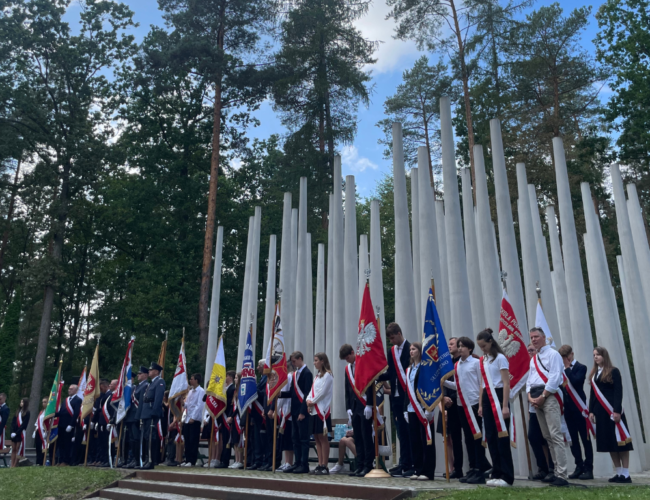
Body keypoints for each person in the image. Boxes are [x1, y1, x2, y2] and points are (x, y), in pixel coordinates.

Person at [444, 337, 491, 484]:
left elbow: (481, 384)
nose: (460, 348)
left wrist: (481, 404)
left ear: (470, 348)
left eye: (463, 346)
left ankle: (480, 469)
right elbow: (457, 385)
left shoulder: (477, 363)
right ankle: (472, 467)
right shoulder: (457, 365)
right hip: (461, 404)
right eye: (459, 346)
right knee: (468, 438)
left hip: (474, 403)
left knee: (477, 437)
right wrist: (443, 381)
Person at [527, 327, 569, 487]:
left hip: (548, 396)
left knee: (555, 434)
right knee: (548, 437)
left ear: (544, 337)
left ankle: (562, 474)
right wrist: (531, 397)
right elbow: (530, 380)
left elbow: (554, 376)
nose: (534, 340)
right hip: (536, 397)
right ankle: (555, 470)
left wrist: (543, 396)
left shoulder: (553, 354)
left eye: (536, 336)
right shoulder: (533, 359)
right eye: (532, 337)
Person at [588, 346, 633, 484]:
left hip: (612, 411)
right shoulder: (594, 374)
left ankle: (626, 474)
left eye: (598, 355)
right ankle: (618, 472)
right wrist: (591, 410)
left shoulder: (613, 371)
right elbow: (593, 394)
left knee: (621, 442)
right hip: (601, 412)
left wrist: (617, 410)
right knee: (610, 442)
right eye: (594, 355)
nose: (596, 357)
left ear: (604, 356)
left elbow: (618, 392)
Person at [477, 328, 514, 487]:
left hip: (499, 396)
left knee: (502, 436)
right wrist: (480, 404)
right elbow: (482, 384)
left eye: (484, 346)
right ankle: (496, 472)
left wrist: (505, 406)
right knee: (491, 436)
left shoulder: (500, 358)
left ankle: (507, 475)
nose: (482, 349)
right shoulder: (483, 360)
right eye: (480, 347)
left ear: (491, 342)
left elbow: (506, 383)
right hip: (486, 397)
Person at [377, 322, 413, 478]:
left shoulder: (410, 349)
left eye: (393, 338)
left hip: (409, 396)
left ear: (399, 333)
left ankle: (412, 463)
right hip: (396, 397)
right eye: (390, 339)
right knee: (401, 432)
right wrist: (377, 376)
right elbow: (391, 373)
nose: (392, 341)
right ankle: (403, 463)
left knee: (410, 431)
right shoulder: (391, 352)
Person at [558, 344, 594, 480]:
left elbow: (576, 382)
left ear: (571, 355)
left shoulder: (581, 367)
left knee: (585, 439)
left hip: (580, 408)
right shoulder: (561, 370)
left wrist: (567, 368)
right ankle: (579, 465)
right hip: (568, 410)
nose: (564, 360)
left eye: (566, 357)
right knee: (573, 439)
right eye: (562, 358)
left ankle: (589, 468)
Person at [340, 343, 374, 477]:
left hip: (364, 405)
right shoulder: (347, 369)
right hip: (354, 407)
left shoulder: (363, 364)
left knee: (366, 437)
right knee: (358, 437)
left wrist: (370, 404)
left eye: (347, 357)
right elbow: (348, 390)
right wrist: (348, 407)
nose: (347, 360)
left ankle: (368, 465)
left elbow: (370, 385)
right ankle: (359, 465)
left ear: (353, 353)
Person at [404, 342, 435, 481]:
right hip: (411, 408)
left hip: (423, 408)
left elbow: (429, 388)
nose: (411, 351)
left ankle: (427, 471)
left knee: (426, 440)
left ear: (420, 351)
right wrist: (405, 408)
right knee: (414, 440)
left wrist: (430, 408)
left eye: (414, 349)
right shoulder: (409, 369)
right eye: (410, 349)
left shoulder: (425, 367)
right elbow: (407, 389)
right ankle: (417, 468)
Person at [526, 342, 555, 481]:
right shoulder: (531, 364)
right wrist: (529, 397)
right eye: (528, 350)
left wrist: (542, 397)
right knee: (532, 436)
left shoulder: (546, 361)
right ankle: (542, 467)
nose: (530, 352)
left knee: (548, 436)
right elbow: (528, 383)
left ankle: (552, 468)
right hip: (533, 406)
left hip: (546, 400)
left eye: (532, 349)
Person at [281, 351, 313, 474]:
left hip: (302, 411)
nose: (293, 364)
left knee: (303, 439)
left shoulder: (307, 373)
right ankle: (297, 462)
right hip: (294, 411)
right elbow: (292, 393)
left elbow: (307, 393)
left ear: (300, 359)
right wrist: (280, 394)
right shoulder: (295, 374)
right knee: (295, 439)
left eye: (294, 361)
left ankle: (304, 464)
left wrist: (303, 412)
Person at [437, 337, 463, 478]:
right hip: (447, 403)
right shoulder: (447, 363)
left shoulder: (463, 362)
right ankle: (456, 468)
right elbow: (443, 382)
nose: (449, 346)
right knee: (453, 437)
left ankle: (478, 466)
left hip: (460, 401)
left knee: (469, 437)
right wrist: (443, 398)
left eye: (452, 343)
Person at [307, 352, 334, 475]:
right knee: (317, 437)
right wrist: (308, 400)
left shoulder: (328, 375)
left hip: (322, 410)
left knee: (323, 438)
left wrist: (312, 402)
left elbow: (322, 392)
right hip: (314, 410)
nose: (314, 362)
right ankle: (319, 463)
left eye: (316, 360)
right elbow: (312, 391)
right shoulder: (317, 376)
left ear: (322, 361)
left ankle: (325, 465)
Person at [141, 362, 166, 469]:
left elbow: (158, 398)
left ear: (156, 371)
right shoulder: (151, 383)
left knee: (151, 437)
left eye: (151, 370)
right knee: (147, 437)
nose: (149, 372)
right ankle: (147, 459)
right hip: (146, 413)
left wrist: (154, 413)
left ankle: (151, 460)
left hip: (152, 413)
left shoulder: (160, 382)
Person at [182, 373, 205, 467]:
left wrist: (193, 417)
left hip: (195, 419)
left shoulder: (201, 391)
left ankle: (192, 460)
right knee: (186, 439)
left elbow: (200, 405)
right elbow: (188, 404)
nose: (190, 381)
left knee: (193, 440)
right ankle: (187, 459)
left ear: (196, 380)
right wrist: (182, 403)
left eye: (192, 379)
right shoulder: (190, 391)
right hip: (187, 418)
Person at [250, 359, 269, 471]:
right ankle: (257, 461)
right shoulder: (262, 379)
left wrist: (254, 389)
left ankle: (264, 460)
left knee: (264, 440)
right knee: (256, 439)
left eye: (259, 365)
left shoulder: (267, 378)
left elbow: (265, 394)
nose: (257, 368)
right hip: (257, 414)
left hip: (263, 412)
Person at [215, 370, 236, 468]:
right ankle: (222, 459)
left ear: (230, 378)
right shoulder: (225, 388)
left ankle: (225, 461)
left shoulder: (232, 388)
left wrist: (230, 415)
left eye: (226, 376)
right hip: (222, 416)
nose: (225, 378)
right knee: (223, 439)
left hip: (227, 416)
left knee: (227, 439)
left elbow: (232, 404)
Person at [56, 384, 81, 466]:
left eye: (71, 389)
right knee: (61, 443)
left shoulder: (78, 400)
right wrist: (53, 414)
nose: (69, 390)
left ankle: (66, 460)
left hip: (69, 425)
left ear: (76, 390)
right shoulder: (65, 400)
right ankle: (61, 460)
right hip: (61, 424)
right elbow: (62, 412)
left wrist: (71, 424)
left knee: (67, 444)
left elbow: (76, 413)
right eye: (69, 389)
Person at [227, 372, 245, 469]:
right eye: (235, 378)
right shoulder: (235, 390)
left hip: (238, 416)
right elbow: (232, 406)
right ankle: (237, 459)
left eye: (236, 378)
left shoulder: (241, 390)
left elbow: (239, 406)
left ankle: (240, 460)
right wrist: (230, 416)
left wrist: (232, 416)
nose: (235, 379)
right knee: (234, 439)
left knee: (239, 438)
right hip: (233, 417)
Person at [10, 397, 29, 467]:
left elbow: (24, 424)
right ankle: (12, 464)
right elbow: (13, 422)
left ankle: (15, 464)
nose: (21, 403)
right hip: (14, 433)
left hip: (20, 433)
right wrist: (12, 431)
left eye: (23, 402)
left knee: (18, 449)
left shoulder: (27, 412)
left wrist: (17, 432)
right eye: (21, 402)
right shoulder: (17, 411)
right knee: (13, 449)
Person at [33, 398, 48, 466]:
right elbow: (37, 422)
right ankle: (38, 461)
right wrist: (35, 429)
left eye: (45, 402)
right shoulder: (41, 412)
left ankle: (42, 462)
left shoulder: (48, 412)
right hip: (38, 431)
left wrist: (46, 432)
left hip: (44, 432)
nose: (43, 403)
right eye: (42, 402)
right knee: (38, 446)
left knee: (43, 447)